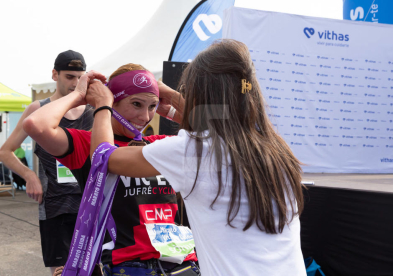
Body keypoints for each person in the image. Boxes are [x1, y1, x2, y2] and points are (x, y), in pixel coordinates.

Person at [86, 39, 307, 276]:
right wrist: (172, 96)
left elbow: (103, 158)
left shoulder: (193, 150)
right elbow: (216, 124)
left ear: (199, 95)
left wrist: (102, 105)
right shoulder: (274, 147)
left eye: (187, 91)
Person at [23, 64, 199, 276]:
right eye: (136, 104)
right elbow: (35, 124)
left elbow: (218, 134)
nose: (145, 117)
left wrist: (169, 97)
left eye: (152, 106)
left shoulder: (159, 144)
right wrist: (82, 95)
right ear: (112, 101)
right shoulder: (86, 144)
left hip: (182, 263)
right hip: (127, 267)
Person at [0, 50, 93, 275]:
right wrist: (30, 176)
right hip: (54, 206)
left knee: (94, 270)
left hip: (89, 204)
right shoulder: (39, 109)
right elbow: (6, 151)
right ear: (55, 75)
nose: (75, 83)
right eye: (69, 77)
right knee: (62, 272)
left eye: (79, 77)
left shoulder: (93, 111)